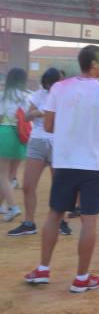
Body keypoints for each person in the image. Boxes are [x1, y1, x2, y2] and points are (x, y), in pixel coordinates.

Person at [25, 45, 99, 292]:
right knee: (89, 219)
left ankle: (43, 270)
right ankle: (81, 278)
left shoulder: (59, 87)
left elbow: (48, 125)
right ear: (94, 63)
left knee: (55, 214)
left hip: (65, 161)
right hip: (92, 164)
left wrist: (70, 131)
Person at [8, 68, 72, 236]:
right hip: (37, 141)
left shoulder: (67, 97)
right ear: (48, 83)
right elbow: (27, 117)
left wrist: (44, 114)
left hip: (58, 142)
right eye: (57, 81)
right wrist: (38, 113)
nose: (60, 84)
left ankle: (63, 222)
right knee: (28, 185)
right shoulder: (39, 95)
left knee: (60, 185)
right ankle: (29, 223)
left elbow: (69, 119)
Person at [0, 67, 29, 222]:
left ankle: (13, 206)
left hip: (5, 133)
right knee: (10, 176)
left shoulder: (3, 97)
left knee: (2, 175)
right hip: (20, 136)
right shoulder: (27, 97)